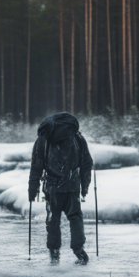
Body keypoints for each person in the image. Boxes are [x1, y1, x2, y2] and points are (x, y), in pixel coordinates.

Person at [28, 112, 92, 265]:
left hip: (52, 188)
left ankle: (54, 254)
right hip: (73, 186)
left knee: (53, 220)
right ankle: (79, 251)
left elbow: (36, 166)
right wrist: (85, 186)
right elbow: (87, 163)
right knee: (75, 217)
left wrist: (32, 188)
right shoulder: (77, 137)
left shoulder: (43, 139)